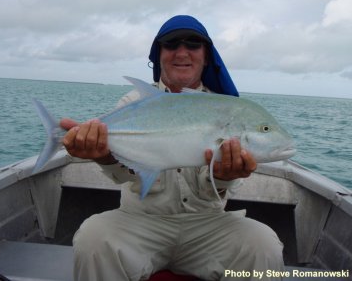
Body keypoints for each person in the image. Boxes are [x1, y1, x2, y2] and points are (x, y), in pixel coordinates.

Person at [60, 15, 284, 281]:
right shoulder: (135, 102)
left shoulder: (224, 107)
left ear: (206, 56)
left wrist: (224, 177)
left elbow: (219, 190)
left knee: (264, 245)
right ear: (159, 55)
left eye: (193, 44)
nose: (182, 52)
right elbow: (122, 176)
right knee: (92, 239)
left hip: (208, 225)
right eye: (171, 44)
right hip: (141, 221)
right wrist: (104, 156)